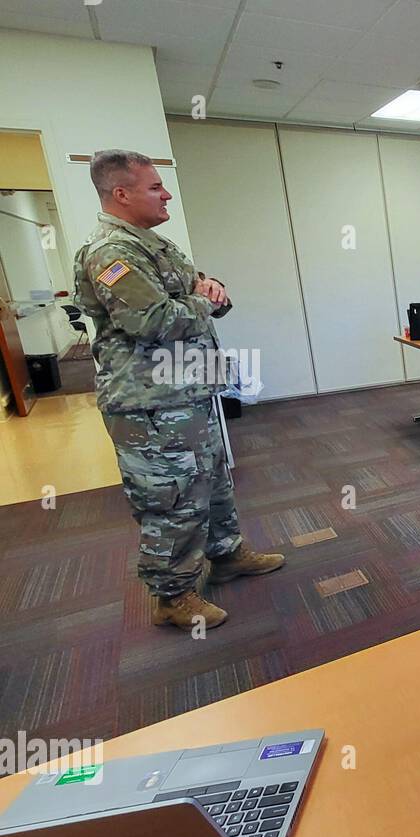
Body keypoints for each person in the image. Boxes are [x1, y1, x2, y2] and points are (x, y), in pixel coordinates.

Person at [73, 149, 283, 631]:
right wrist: (201, 299)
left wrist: (213, 289)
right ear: (120, 194)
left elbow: (204, 290)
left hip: (186, 387)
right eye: (154, 187)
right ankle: (172, 596)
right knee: (170, 497)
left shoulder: (154, 244)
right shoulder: (112, 253)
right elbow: (150, 320)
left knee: (210, 479)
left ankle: (226, 554)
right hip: (150, 403)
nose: (166, 194)